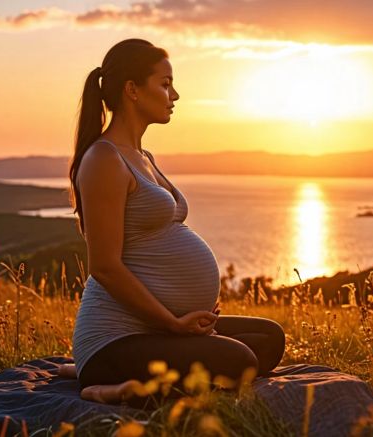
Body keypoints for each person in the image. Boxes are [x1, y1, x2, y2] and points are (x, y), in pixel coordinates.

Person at [68, 38, 285, 406]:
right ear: (132, 90)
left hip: (155, 329)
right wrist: (171, 322)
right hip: (116, 338)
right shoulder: (103, 159)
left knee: (269, 338)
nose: (175, 94)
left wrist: (183, 314)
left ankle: (95, 369)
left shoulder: (142, 156)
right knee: (239, 361)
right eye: (165, 83)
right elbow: (104, 267)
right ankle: (102, 383)